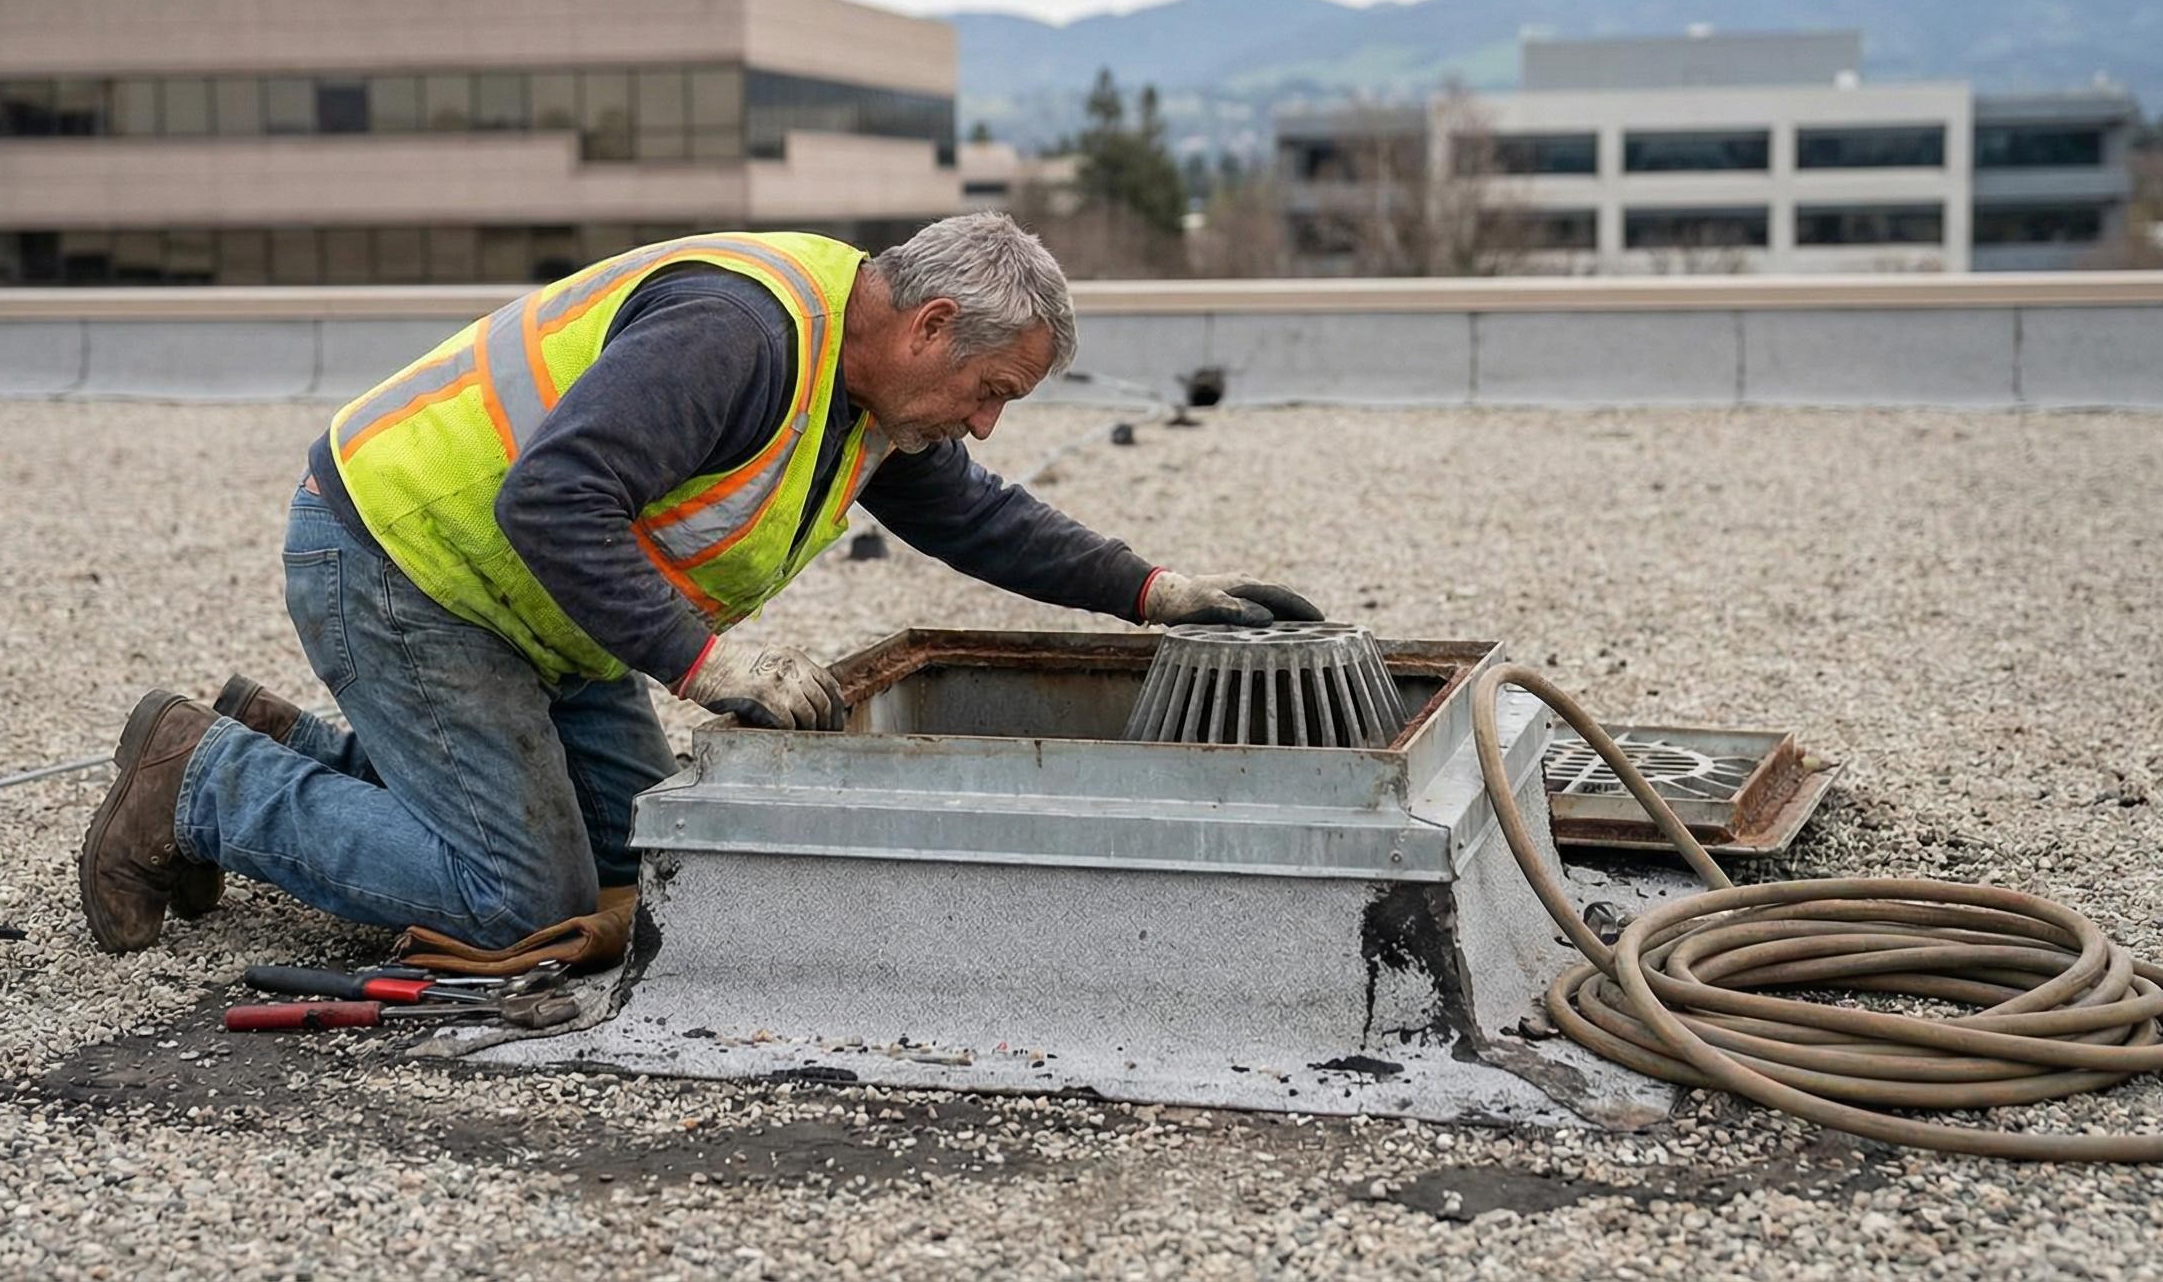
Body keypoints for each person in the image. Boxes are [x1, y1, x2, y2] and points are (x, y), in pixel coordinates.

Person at [77, 214, 1317, 953]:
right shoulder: (740, 334)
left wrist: (1153, 592)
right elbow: (550, 499)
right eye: (990, 392)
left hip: (546, 614)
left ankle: (284, 741)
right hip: (405, 566)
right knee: (523, 906)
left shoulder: (868, 387)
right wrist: (709, 664)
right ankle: (207, 780)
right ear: (933, 325)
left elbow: (978, 519)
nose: (986, 425)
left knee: (655, 856)